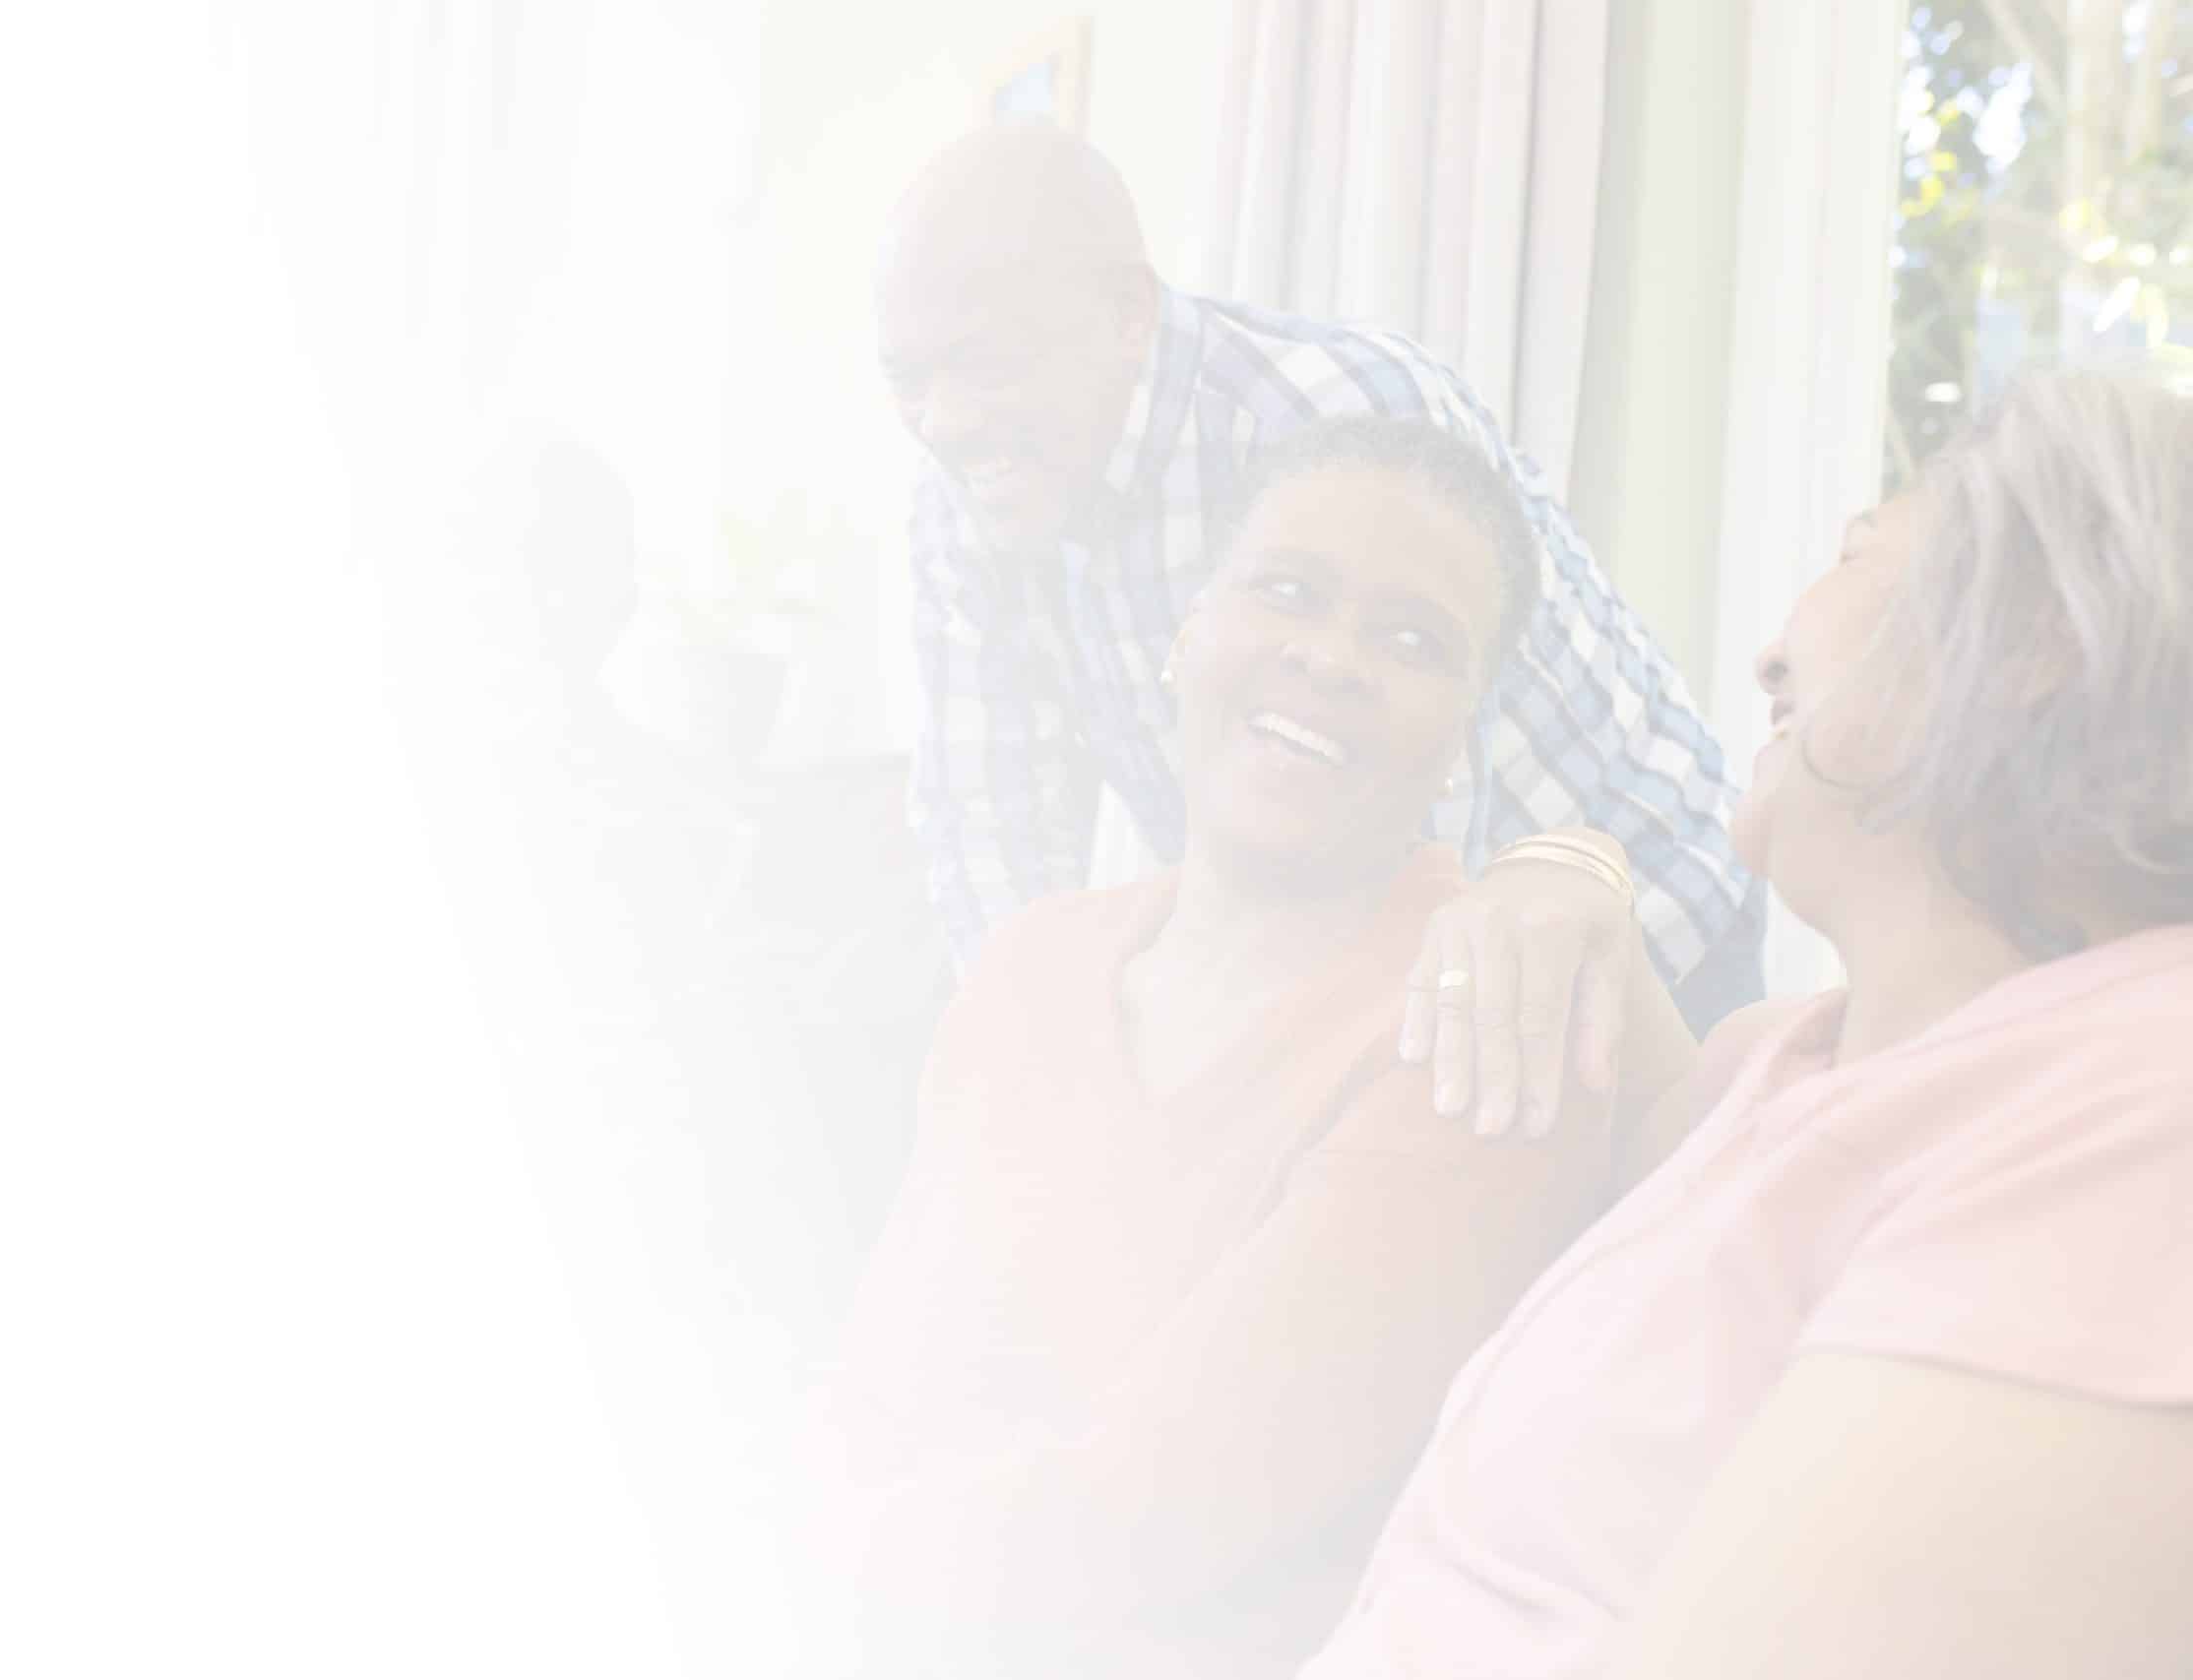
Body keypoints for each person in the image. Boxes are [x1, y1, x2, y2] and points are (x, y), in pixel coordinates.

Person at [1302, 362, 2193, 1679]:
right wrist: (1570, 861)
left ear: (2036, 637)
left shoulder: (2136, 1115)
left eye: (1856, 556)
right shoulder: (1782, 1062)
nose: (1774, 647)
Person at [809, 418, 1688, 1678]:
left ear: (1461, 738)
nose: (1328, 659)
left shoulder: (1483, 1013)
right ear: (1187, 634)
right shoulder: (1031, 965)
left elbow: (1163, 1510)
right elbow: (878, 1377)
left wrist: (805, 1565)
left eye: (1409, 641)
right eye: (1287, 592)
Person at [880, 120, 1765, 1111]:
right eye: (909, 379)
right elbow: (989, 816)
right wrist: (1039, 1069)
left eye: (985, 362)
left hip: (1644, 921)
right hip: (1388, 950)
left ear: (1127, 312)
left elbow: (1413, 808)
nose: (943, 419)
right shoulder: (969, 485)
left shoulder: (1333, 414)